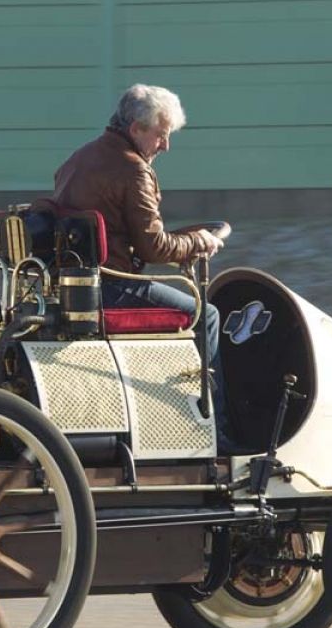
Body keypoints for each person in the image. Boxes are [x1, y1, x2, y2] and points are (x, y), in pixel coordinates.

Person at [52, 84, 234, 449]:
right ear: (136, 129)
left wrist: (186, 241)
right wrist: (201, 242)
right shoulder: (133, 169)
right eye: (161, 135)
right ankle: (217, 430)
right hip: (112, 288)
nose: (166, 146)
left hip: (73, 287)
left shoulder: (79, 158)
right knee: (208, 315)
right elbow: (154, 247)